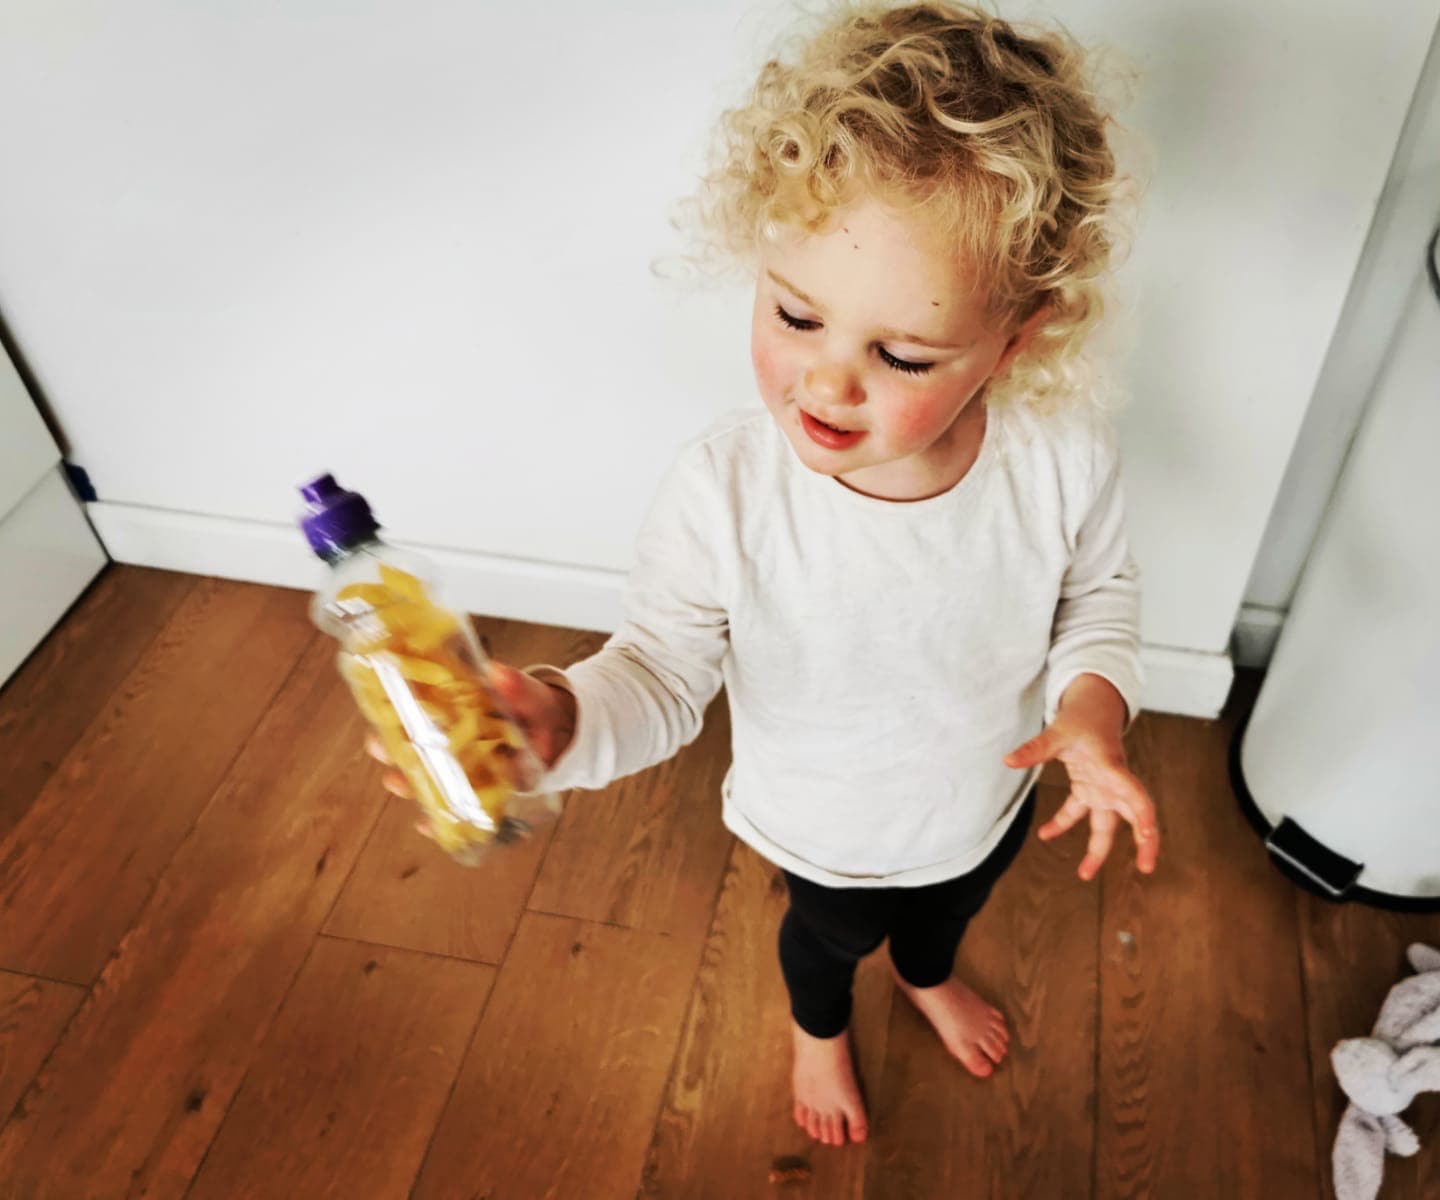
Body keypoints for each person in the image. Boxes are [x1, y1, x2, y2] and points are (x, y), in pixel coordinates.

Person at [370, 0, 1160, 1149]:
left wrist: (1091, 712)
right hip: (820, 830)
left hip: (983, 806)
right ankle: (819, 1027)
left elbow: (1099, 599)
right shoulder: (725, 494)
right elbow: (656, 671)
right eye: (796, 315)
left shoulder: (1060, 464)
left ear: (1017, 337)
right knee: (824, 940)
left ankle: (928, 976)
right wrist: (562, 722)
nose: (826, 384)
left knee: (945, 922)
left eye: (900, 354)